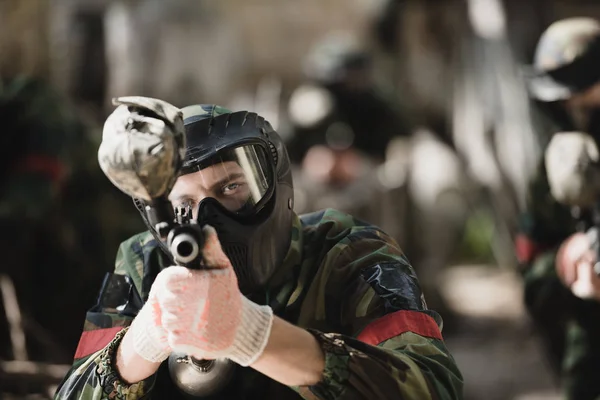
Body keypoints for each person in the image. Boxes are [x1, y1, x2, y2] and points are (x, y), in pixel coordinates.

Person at [55, 99, 463, 399]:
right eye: (184, 205)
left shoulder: (350, 254)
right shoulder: (144, 263)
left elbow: (432, 387)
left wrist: (251, 335)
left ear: (277, 185)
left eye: (232, 188)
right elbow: (72, 392)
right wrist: (140, 345)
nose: (207, 219)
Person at [519, 17, 600, 400]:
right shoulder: (556, 166)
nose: (574, 106)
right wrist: (567, 262)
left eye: (585, 93)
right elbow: (531, 280)